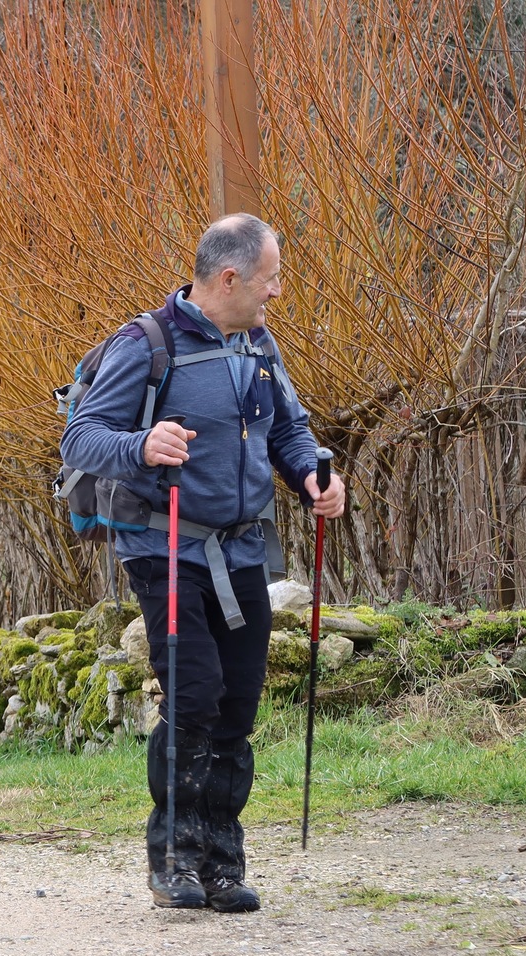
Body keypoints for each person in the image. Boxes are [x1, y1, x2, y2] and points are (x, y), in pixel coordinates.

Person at [59, 213, 346, 914]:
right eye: (270, 279)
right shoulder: (146, 344)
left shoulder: (258, 344)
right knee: (194, 696)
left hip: (240, 547)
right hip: (165, 546)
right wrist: (140, 445)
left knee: (238, 702)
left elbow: (288, 429)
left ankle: (222, 863)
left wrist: (313, 478)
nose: (277, 291)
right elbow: (81, 438)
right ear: (230, 278)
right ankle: (174, 859)